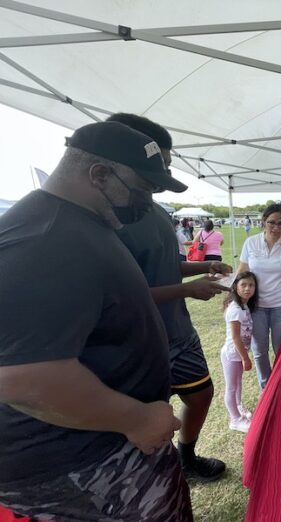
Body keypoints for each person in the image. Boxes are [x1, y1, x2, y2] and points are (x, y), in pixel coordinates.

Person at [0, 121, 192, 519]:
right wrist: (136, 418)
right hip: (84, 464)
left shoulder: (76, 222)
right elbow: (21, 376)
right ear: (99, 174)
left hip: (104, 451)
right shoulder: (44, 239)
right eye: (142, 189)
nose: (148, 202)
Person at [108, 113, 228, 482]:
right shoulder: (112, 218)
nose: (163, 178)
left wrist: (201, 271)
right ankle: (155, 473)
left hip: (179, 331)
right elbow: (123, 293)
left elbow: (164, 265)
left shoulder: (155, 211)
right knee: (151, 415)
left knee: (201, 395)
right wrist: (189, 290)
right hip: (141, 341)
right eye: (159, 166)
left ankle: (186, 458)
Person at [236, 203, 281, 388]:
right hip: (256, 306)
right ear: (264, 221)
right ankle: (266, 388)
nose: (276, 227)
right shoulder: (251, 242)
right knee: (259, 350)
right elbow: (242, 271)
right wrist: (235, 298)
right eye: (272, 222)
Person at [221, 271, 258, 433]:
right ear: (235, 287)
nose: (247, 288)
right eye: (243, 285)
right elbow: (235, 337)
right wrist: (245, 358)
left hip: (238, 354)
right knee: (231, 387)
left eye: (251, 285)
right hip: (232, 354)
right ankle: (234, 419)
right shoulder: (235, 309)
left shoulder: (243, 305)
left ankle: (238, 407)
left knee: (238, 383)